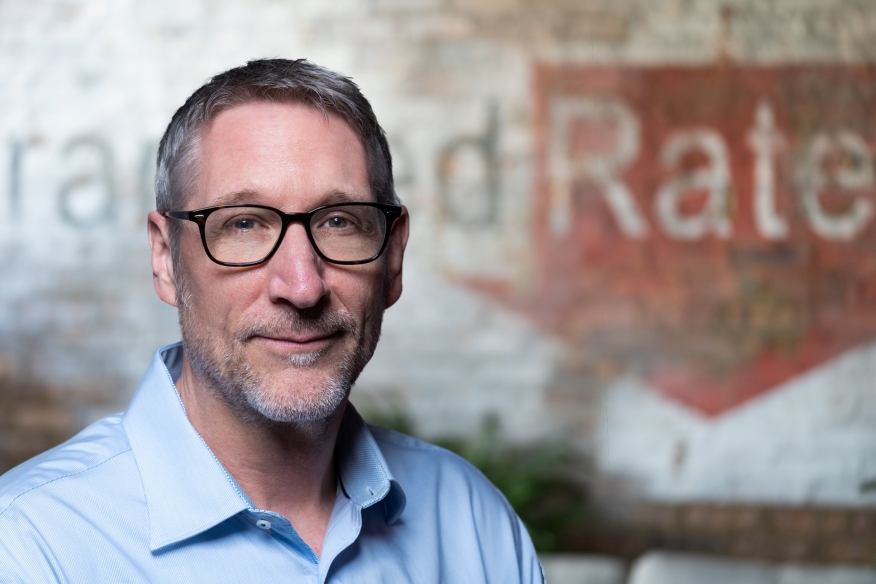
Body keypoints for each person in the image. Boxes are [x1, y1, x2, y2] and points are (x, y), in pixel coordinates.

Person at [0, 59, 542, 582]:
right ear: (165, 259)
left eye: (339, 222)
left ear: (393, 258)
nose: (302, 287)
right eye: (244, 224)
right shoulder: (30, 548)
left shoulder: (474, 526)